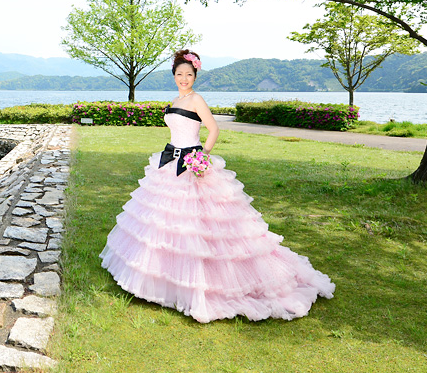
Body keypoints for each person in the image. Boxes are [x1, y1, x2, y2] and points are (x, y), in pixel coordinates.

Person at [99, 49, 335, 322]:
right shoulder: (177, 98)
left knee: (202, 227)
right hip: (169, 164)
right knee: (165, 224)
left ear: (195, 75)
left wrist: (201, 157)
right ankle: (159, 280)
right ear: (173, 76)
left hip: (191, 163)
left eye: (188, 74)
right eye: (179, 74)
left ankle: (206, 284)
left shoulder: (197, 99)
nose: (183, 78)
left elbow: (213, 129)